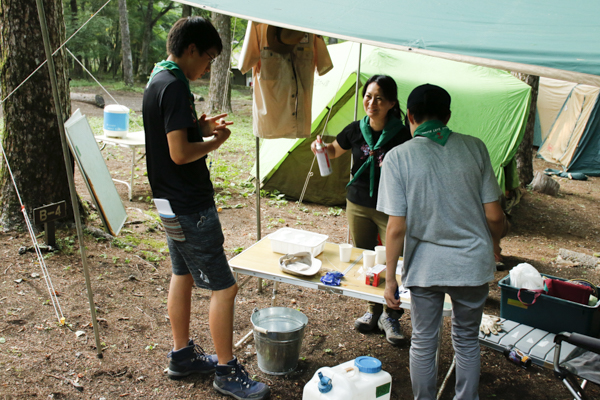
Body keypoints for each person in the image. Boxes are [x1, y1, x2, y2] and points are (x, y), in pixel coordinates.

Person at [142, 17, 270, 400]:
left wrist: (198, 126)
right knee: (225, 288)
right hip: (190, 207)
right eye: (210, 58)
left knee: (181, 274)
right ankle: (227, 372)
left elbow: (172, 136)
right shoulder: (175, 87)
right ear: (192, 49)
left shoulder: (157, 80)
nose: (210, 66)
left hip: (167, 204)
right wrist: (216, 142)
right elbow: (179, 154)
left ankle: (181, 356)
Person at [378, 83, 506, 399]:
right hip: (472, 264)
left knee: (423, 340)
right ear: (448, 115)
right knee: (465, 339)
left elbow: (396, 228)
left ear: (408, 115)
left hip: (426, 266)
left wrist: (390, 278)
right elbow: (494, 216)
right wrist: (494, 242)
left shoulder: (397, 157)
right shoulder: (475, 148)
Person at [310, 74, 412, 345]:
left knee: (393, 261)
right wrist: (320, 148)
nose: (372, 102)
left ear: (391, 102)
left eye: (379, 98)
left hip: (389, 207)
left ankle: (391, 315)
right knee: (367, 258)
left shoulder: (402, 134)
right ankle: (372, 310)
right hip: (357, 203)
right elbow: (334, 150)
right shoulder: (356, 129)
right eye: (368, 96)